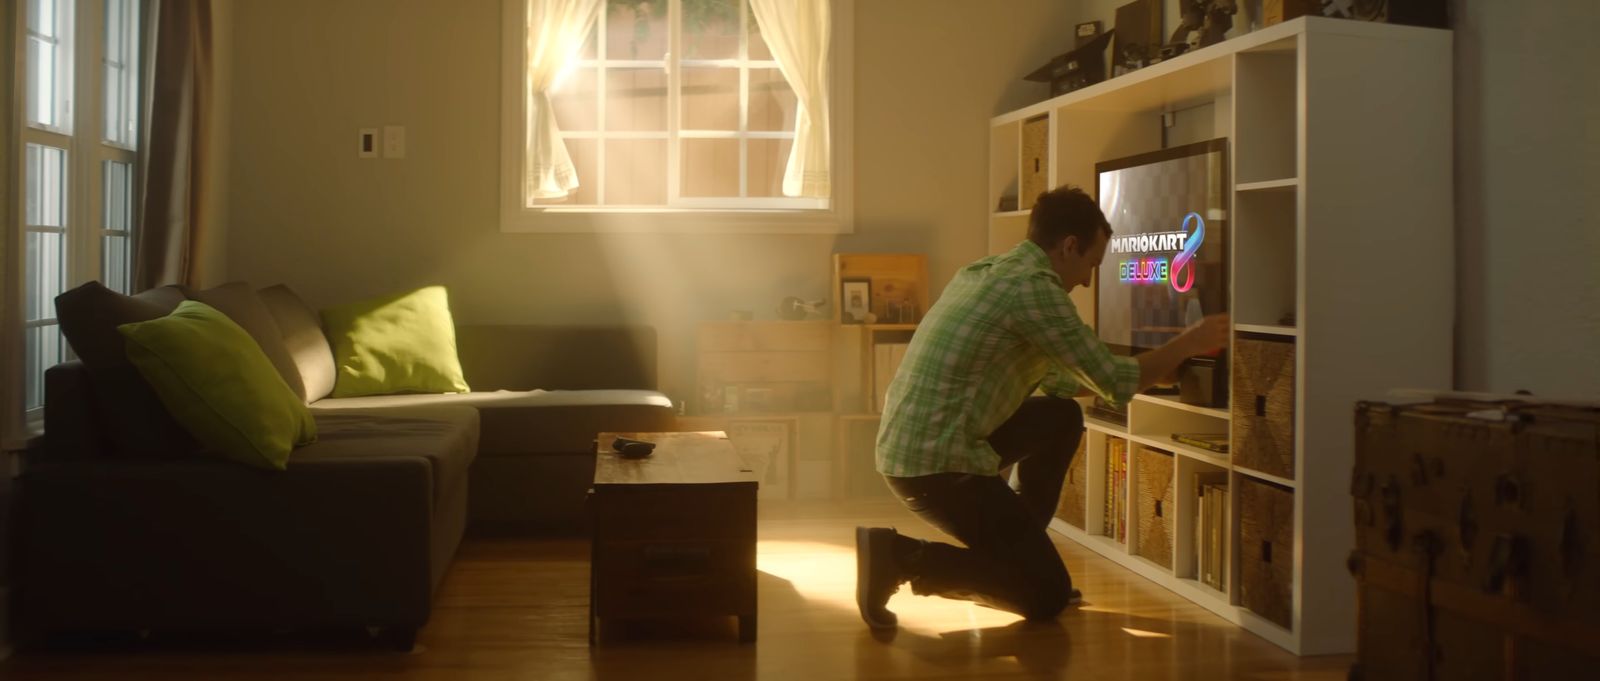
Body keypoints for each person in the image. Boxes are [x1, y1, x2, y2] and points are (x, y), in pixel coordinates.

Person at [856, 185, 1229, 628]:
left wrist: (1151, 367)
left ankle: (1018, 552)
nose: (1089, 281)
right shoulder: (1036, 291)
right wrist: (1190, 342)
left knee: (1059, 417)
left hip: (915, 446)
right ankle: (901, 557)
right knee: (1045, 595)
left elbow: (1058, 379)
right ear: (1069, 246)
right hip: (935, 466)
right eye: (1092, 264)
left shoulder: (989, 270)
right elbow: (1111, 383)